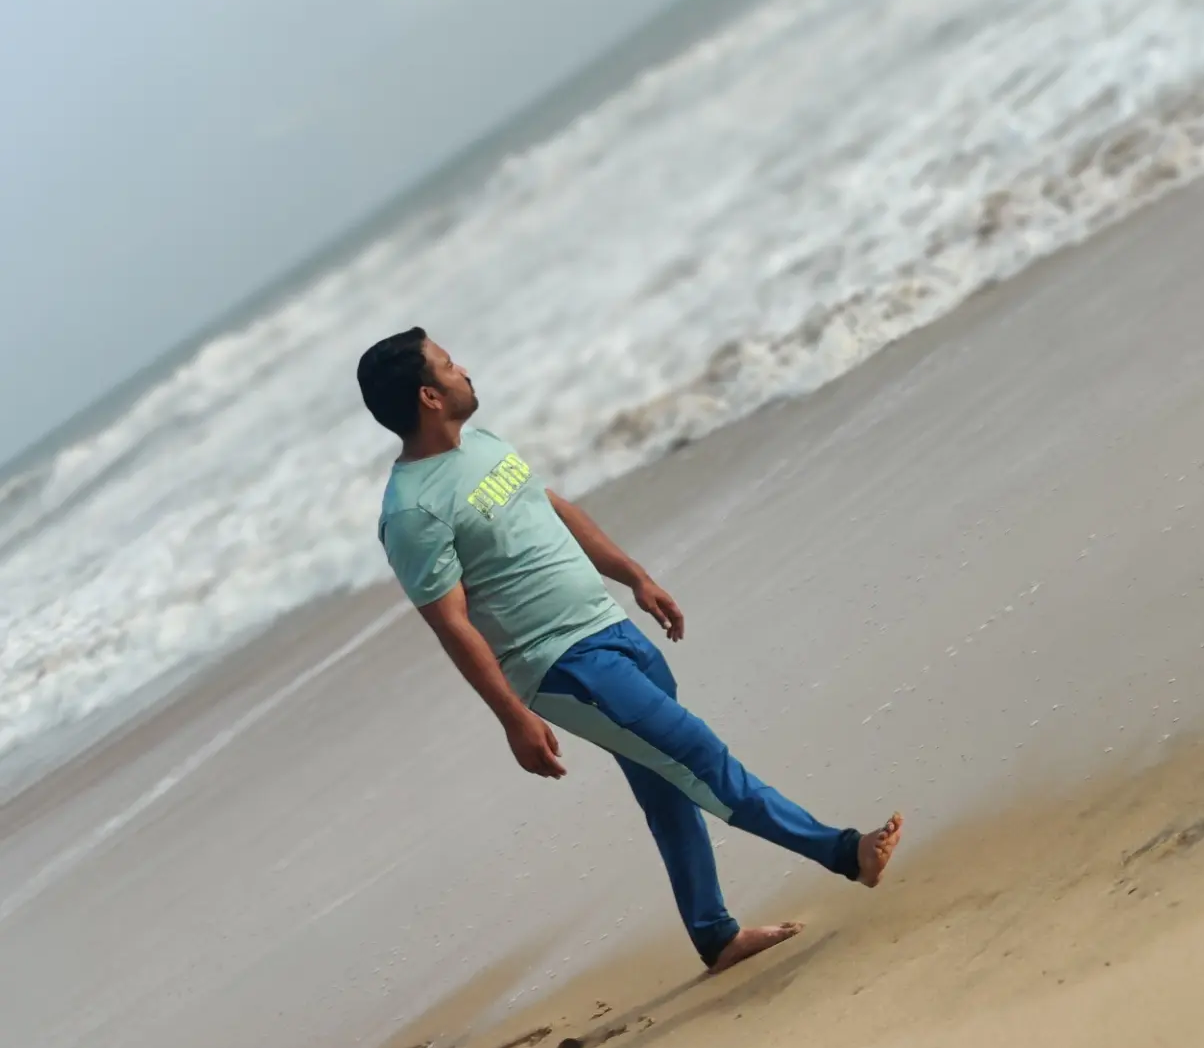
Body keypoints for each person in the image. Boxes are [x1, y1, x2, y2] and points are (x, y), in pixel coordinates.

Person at [357, 326, 902, 973]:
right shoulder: (412, 512)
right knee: (696, 754)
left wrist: (635, 577)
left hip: (609, 628)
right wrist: (512, 717)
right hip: (558, 664)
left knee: (665, 784)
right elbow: (451, 624)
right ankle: (845, 852)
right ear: (429, 396)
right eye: (448, 365)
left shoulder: (482, 443)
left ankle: (715, 936)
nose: (463, 370)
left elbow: (554, 510)